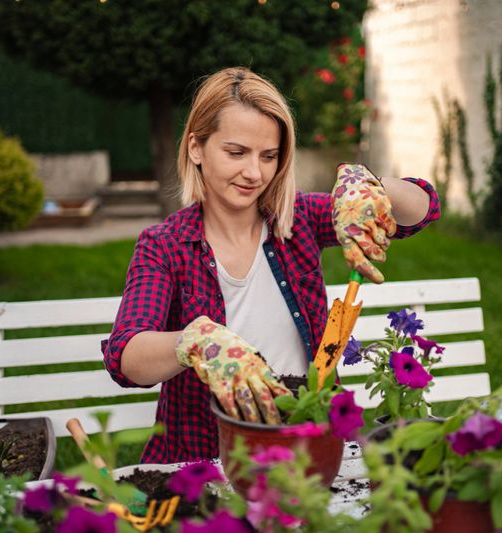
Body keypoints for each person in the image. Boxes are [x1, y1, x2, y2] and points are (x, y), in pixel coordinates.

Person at [102, 67, 440, 464]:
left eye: (269, 156)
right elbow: (126, 357)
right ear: (196, 148)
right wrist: (194, 341)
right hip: (206, 461)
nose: (254, 173)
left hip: (308, 449)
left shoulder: (298, 221)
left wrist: (368, 186)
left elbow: (422, 210)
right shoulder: (166, 246)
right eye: (236, 152)